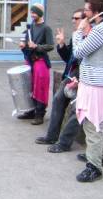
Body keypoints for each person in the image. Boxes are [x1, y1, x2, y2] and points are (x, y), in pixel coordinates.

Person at [73, 0, 103, 183]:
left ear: (96, 11)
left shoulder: (102, 29)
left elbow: (78, 52)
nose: (84, 13)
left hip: (96, 84)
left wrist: (78, 32)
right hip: (94, 82)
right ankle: (96, 156)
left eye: (87, 10)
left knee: (93, 124)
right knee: (96, 122)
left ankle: (94, 167)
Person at [35, 9, 83, 152]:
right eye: (72, 18)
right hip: (72, 73)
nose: (73, 21)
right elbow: (69, 57)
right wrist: (62, 45)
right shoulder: (76, 35)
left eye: (77, 18)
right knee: (58, 99)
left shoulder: (89, 36)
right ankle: (51, 136)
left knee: (78, 109)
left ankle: (64, 143)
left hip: (84, 76)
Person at [18, 3, 54, 125]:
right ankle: (30, 111)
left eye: (34, 12)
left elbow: (50, 46)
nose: (32, 15)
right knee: (28, 86)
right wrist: (24, 45)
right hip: (30, 60)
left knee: (40, 88)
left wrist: (37, 46)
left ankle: (40, 114)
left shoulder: (46, 28)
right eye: (31, 12)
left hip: (41, 61)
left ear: (39, 13)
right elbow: (27, 41)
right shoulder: (31, 26)